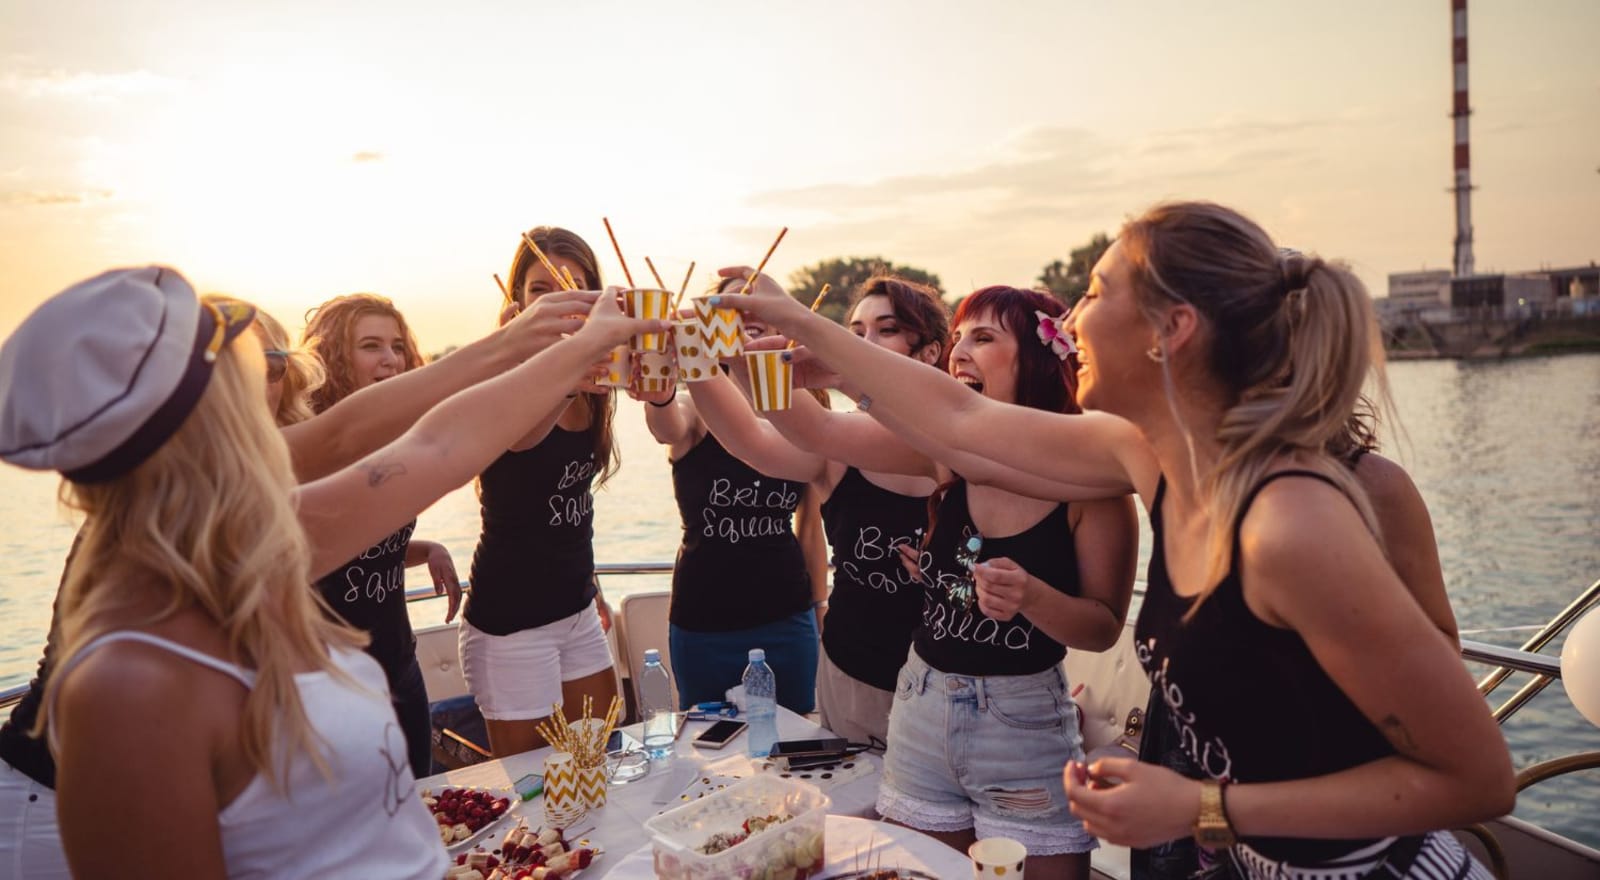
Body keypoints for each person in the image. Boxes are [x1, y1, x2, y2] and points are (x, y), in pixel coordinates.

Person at [710, 200, 1515, 878]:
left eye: (1095, 292)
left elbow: (1478, 779)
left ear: (1172, 329)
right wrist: (812, 341)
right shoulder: (1147, 458)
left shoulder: (1289, 521)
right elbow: (961, 419)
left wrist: (1204, 805)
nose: (1074, 319)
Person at [0, 264, 664, 877]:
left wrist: (546, 347)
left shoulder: (239, 536)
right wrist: (564, 349)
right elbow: (376, 440)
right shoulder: (130, 682)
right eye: (255, 361)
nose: (281, 375)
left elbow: (435, 445)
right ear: (211, 411)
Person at [735, 283, 1136, 879]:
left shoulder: (1095, 485)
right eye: (957, 339)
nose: (959, 353)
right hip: (921, 709)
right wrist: (732, 363)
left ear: (1038, 355)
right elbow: (816, 432)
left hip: (1023, 731)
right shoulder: (943, 455)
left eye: (984, 337)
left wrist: (1035, 597)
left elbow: (1102, 628)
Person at [686, 276, 949, 744]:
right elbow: (751, 440)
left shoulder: (961, 447)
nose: (863, 344)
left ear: (931, 352)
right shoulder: (836, 443)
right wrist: (697, 355)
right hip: (855, 675)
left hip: (956, 681)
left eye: (885, 330)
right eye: (856, 331)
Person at [632, 274, 830, 714]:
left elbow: (811, 530)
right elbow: (667, 427)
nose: (747, 317)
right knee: (707, 754)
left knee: (793, 746)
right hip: (704, 623)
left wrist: (819, 608)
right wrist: (659, 396)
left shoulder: (809, 412)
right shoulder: (696, 409)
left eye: (756, 305)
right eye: (732, 308)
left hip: (787, 617)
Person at [457, 227, 620, 757]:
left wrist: (591, 585)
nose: (560, 300)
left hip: (575, 609)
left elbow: (573, 507)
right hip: (511, 623)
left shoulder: (596, 383)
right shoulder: (503, 374)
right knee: (536, 789)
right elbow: (521, 439)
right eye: (541, 289)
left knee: (599, 760)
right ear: (517, 302)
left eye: (576, 285)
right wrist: (570, 376)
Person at [302, 293, 462, 776]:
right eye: (371, 345)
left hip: (400, 666)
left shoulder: (392, 442)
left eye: (396, 345)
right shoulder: (309, 449)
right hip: (335, 684)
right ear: (331, 357)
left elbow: (361, 538)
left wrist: (424, 548)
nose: (389, 358)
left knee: (423, 808)